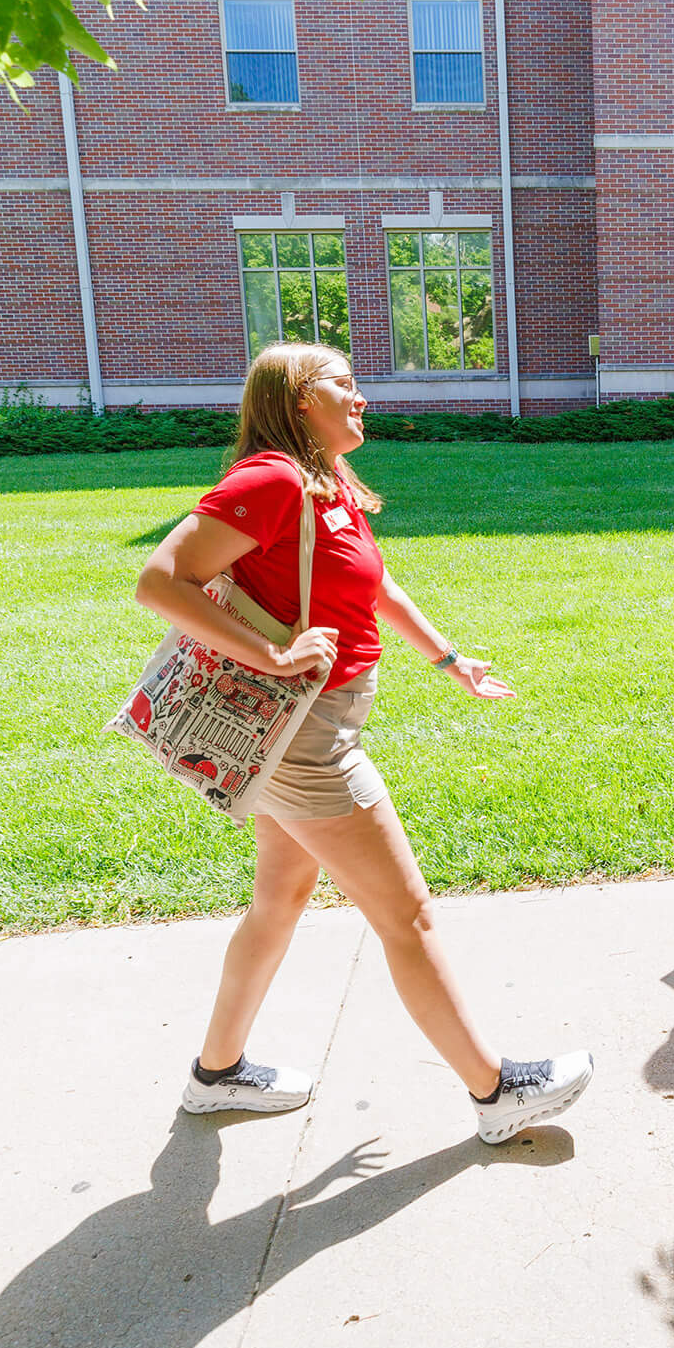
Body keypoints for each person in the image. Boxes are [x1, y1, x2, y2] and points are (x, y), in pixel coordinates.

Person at [133, 343, 592, 1143]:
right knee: (406, 913)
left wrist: (448, 659)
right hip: (305, 734)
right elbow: (159, 580)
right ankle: (496, 1094)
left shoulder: (322, 480)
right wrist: (272, 654)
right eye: (345, 385)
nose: (362, 399)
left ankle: (216, 1074)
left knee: (279, 901)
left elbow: (371, 580)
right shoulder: (270, 479)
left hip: (313, 721)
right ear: (300, 399)